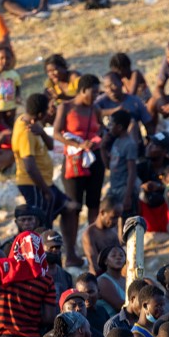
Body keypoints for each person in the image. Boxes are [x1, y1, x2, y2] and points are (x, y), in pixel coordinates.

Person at [53, 74, 104, 267]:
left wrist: (96, 139)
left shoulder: (95, 108)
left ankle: (94, 249)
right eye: (94, 92)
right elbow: (57, 133)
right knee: (73, 208)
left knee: (94, 205)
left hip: (94, 158)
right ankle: (71, 253)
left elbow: (101, 129)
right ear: (83, 90)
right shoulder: (65, 107)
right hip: (73, 161)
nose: (96, 96)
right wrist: (77, 143)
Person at [12, 93, 67, 229]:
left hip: (43, 182)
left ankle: (68, 248)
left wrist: (42, 132)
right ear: (41, 114)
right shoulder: (27, 132)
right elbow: (29, 167)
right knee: (40, 223)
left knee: (67, 207)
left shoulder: (29, 122)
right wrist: (46, 190)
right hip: (33, 184)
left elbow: (51, 146)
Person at [102, 110, 139, 216]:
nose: (109, 127)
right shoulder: (116, 141)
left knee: (127, 222)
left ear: (119, 127)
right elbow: (108, 166)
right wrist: (103, 148)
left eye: (111, 124)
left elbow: (132, 172)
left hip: (124, 189)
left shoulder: (129, 144)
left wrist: (127, 196)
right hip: (114, 187)